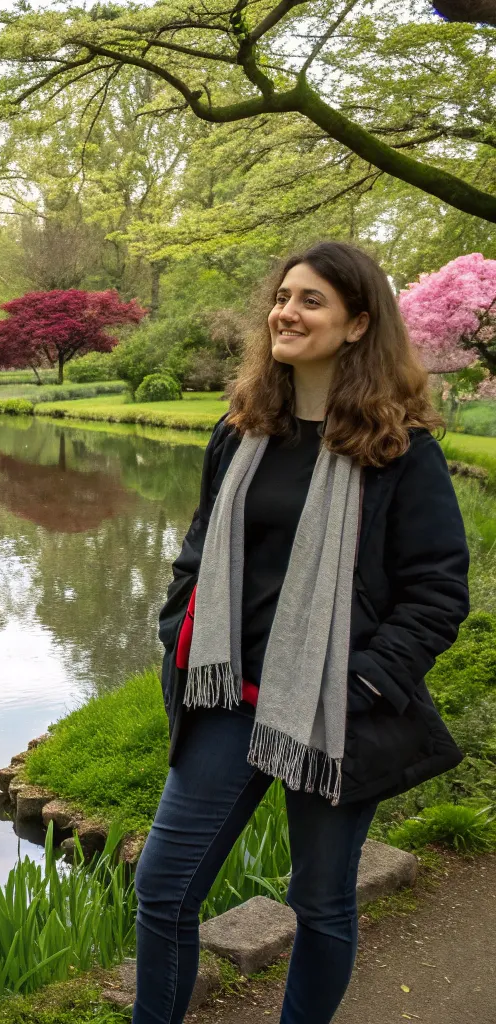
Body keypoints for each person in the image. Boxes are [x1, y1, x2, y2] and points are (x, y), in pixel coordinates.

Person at [135, 241, 470, 1024]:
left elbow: (437, 591)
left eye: (310, 300)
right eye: (283, 297)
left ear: (358, 324)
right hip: (227, 693)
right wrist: (177, 625)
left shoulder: (400, 451)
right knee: (163, 887)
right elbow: (199, 546)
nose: (286, 311)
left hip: (330, 710)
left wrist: (360, 681)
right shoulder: (242, 429)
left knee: (320, 901)